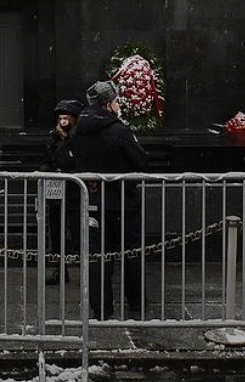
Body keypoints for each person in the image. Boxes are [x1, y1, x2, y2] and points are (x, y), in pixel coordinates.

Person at [69, 80, 148, 319]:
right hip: (123, 202)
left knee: (98, 257)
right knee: (131, 253)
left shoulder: (78, 130)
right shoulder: (118, 130)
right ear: (108, 105)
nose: (119, 104)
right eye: (116, 101)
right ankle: (136, 304)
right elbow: (141, 163)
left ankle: (102, 308)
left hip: (92, 202)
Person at [42, 99, 84, 285]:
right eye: (61, 118)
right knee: (57, 232)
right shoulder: (53, 138)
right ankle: (60, 269)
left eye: (66, 118)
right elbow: (47, 160)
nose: (63, 121)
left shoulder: (79, 139)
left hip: (75, 191)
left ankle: (86, 269)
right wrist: (46, 171)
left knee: (79, 232)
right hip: (57, 192)